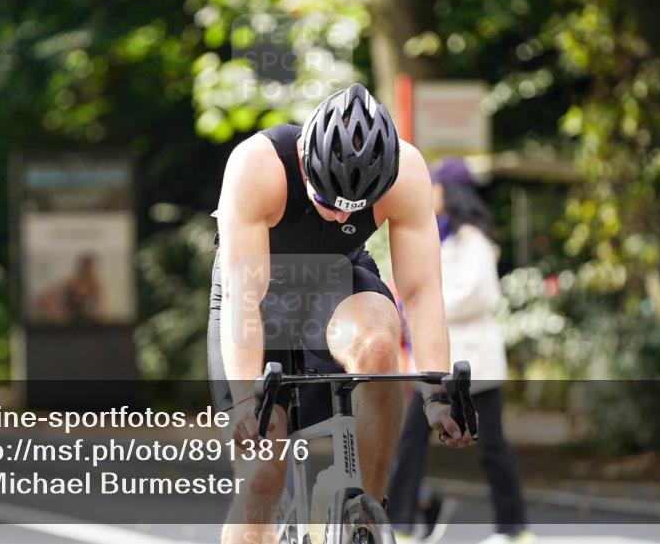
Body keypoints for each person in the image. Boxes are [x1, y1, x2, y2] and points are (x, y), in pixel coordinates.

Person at [208, 83, 475, 544]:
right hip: (255, 294)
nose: (340, 218)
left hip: (338, 281)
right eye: (327, 203)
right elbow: (242, 297)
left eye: (355, 209)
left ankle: (366, 516)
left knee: (378, 344)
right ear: (304, 162)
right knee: (262, 475)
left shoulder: (408, 172)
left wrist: (437, 394)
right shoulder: (257, 165)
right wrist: (248, 403)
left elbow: (422, 293)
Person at [387, 158, 532, 544]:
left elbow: (480, 294)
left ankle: (514, 529)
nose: (429, 193)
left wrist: (427, 307)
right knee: (411, 441)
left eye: (434, 186)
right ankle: (399, 523)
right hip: (438, 364)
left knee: (493, 448)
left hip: (474, 362)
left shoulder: (473, 238)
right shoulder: (438, 234)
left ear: (450, 192)